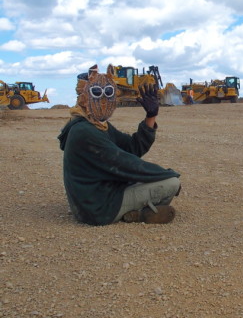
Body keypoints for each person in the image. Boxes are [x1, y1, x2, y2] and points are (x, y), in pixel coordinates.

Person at [58, 64, 181, 226]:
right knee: (171, 183)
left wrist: (151, 116)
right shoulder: (84, 132)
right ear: (84, 96)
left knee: (155, 179)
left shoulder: (94, 124)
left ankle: (137, 212)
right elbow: (126, 164)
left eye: (108, 93)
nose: (104, 99)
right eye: (96, 93)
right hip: (98, 207)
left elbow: (132, 147)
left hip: (101, 195)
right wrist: (167, 174)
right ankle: (139, 215)